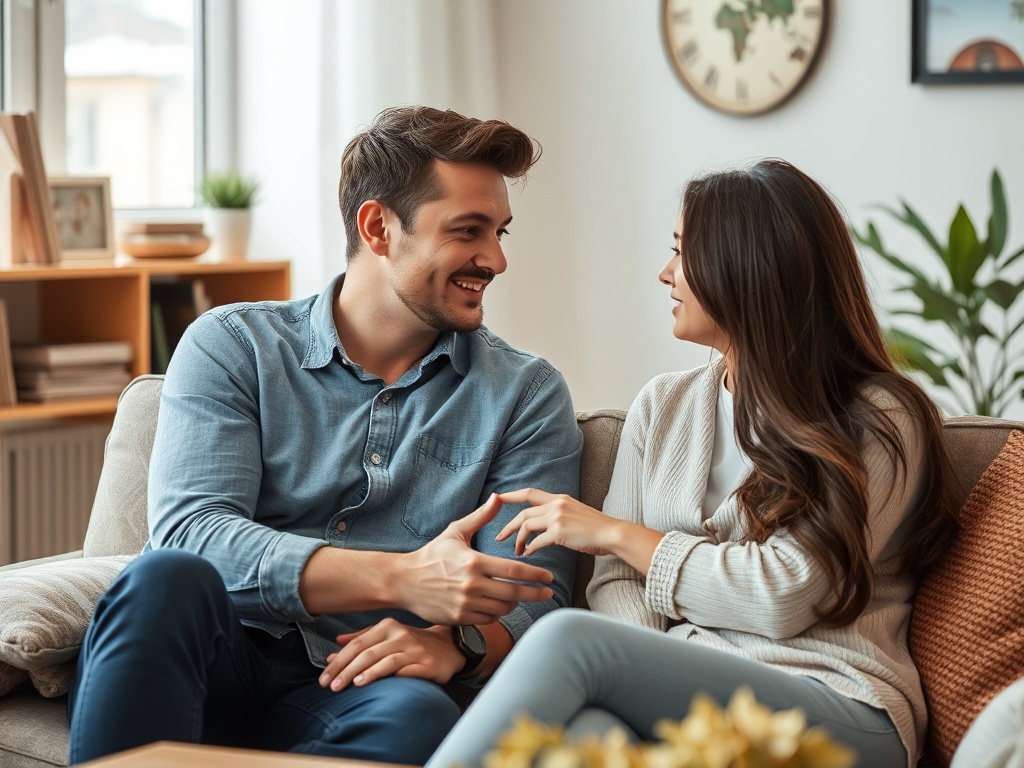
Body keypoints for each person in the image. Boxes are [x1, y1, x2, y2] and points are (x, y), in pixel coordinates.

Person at [67, 106, 583, 765]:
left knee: (422, 714)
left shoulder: (526, 394)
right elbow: (193, 534)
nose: (497, 259)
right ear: (378, 228)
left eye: (500, 232)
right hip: (211, 653)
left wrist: (459, 644)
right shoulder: (234, 345)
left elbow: (532, 594)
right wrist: (402, 578)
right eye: (468, 231)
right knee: (163, 580)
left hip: (360, 681)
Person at [426, 159, 959, 768]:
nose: (665, 272)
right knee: (591, 732)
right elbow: (617, 584)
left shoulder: (879, 416)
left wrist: (618, 534)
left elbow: (784, 595)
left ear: (746, 266)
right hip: (699, 705)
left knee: (568, 638)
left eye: (682, 252)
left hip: (834, 704)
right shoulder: (664, 404)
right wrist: (646, 671)